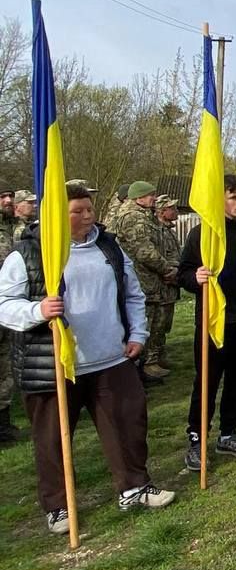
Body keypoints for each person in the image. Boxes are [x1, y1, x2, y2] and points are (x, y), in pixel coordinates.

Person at [0, 183, 174, 533]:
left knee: (128, 424)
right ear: (56, 215)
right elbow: (4, 304)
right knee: (52, 439)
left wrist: (137, 333)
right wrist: (37, 310)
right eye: (77, 211)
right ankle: (58, 506)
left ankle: (134, 486)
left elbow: (132, 293)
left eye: (89, 209)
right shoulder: (29, 252)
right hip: (54, 364)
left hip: (110, 357)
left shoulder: (109, 247)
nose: (87, 216)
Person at [179, 175, 236, 467]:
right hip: (214, 320)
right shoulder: (203, 234)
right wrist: (195, 277)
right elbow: (184, 273)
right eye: (234, 197)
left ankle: (229, 432)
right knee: (207, 381)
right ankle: (197, 438)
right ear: (219, 199)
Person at [110, 181, 178, 384]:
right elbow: (144, 251)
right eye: (150, 195)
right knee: (144, 324)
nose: (154, 199)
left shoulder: (144, 215)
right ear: (138, 197)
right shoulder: (133, 217)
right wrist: (167, 269)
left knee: (156, 323)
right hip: (142, 281)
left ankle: (150, 362)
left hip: (151, 281)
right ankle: (141, 367)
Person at [149, 195, 181, 374]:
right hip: (162, 284)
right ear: (161, 212)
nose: (176, 211)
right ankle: (151, 360)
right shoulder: (157, 231)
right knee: (158, 325)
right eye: (171, 208)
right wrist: (170, 271)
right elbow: (158, 256)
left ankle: (160, 355)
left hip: (171, 285)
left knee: (165, 324)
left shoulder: (169, 231)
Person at [0, 179, 18, 443]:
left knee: (5, 366)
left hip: (8, 305)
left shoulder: (12, 227)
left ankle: (3, 423)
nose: (8, 201)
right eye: (2, 197)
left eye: (10, 196)